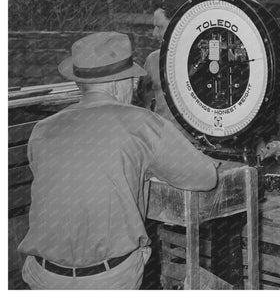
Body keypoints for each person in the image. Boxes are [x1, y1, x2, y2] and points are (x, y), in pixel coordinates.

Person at [18, 32, 218, 290]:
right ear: (119, 83)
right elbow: (205, 178)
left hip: (41, 275)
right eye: (132, 80)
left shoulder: (42, 129)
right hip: (107, 279)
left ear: (81, 82)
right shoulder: (142, 123)